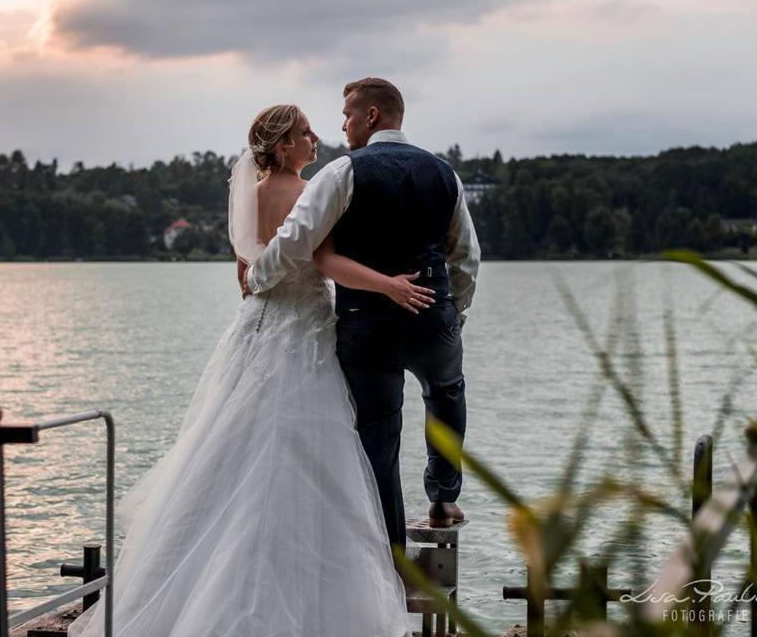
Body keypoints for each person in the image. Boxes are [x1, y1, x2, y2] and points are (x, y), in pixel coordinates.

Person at [69, 104, 427, 637]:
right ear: (283, 146)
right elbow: (324, 262)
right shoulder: (304, 192)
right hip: (302, 331)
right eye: (305, 133)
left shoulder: (253, 194)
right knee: (302, 453)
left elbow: (247, 275)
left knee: (233, 445)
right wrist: (388, 284)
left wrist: (274, 280)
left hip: (260, 327)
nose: (315, 139)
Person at [245, 78, 480, 551]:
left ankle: (387, 548)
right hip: (432, 314)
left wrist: (256, 278)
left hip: (366, 325)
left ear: (371, 116)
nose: (344, 125)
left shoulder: (341, 172)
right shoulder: (444, 174)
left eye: (349, 115)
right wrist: (455, 311)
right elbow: (465, 257)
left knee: (378, 433)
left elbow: (296, 241)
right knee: (446, 394)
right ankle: (442, 498)